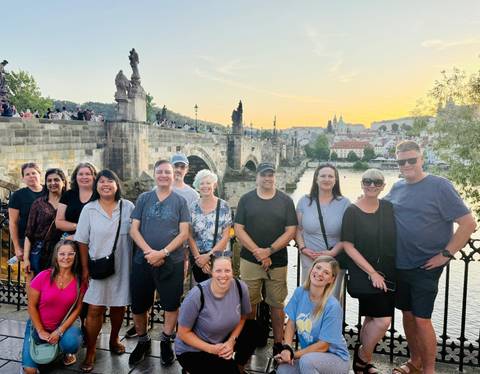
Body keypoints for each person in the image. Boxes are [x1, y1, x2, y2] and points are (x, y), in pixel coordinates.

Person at [385, 140, 476, 374]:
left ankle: (429, 370)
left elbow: (468, 223)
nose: (406, 165)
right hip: (400, 263)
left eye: (411, 160)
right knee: (407, 314)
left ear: (422, 159)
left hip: (426, 265)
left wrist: (446, 254)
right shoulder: (397, 188)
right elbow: (375, 208)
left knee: (422, 318)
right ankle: (414, 362)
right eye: (401, 161)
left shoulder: (440, 186)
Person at [129, 160, 191, 366]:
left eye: (168, 172)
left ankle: (166, 341)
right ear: (155, 174)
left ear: (173, 175)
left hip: (171, 261)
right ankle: (142, 340)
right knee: (139, 305)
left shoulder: (180, 202)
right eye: (160, 172)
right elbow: (133, 229)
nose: (164, 175)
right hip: (143, 260)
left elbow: (184, 234)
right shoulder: (144, 198)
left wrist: (163, 252)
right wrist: (150, 252)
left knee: (171, 304)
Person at [74, 169, 135, 372]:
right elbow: (81, 241)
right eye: (101, 181)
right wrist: (84, 268)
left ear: (117, 184)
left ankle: (114, 339)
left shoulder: (128, 207)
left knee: (118, 307)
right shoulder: (89, 209)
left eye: (110, 181)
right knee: (94, 309)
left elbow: (137, 235)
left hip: (122, 267)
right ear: (96, 186)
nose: (106, 184)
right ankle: (91, 350)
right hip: (98, 268)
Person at [234, 162, 297, 355]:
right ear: (257, 177)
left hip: (277, 261)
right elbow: (238, 229)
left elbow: (291, 231)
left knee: (277, 304)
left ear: (275, 177)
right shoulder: (246, 199)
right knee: (250, 303)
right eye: (264, 175)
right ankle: (250, 340)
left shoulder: (285, 201)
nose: (267, 178)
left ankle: (278, 343)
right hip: (250, 260)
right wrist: (258, 252)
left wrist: (268, 251)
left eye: (270, 175)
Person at [341, 169, 396, 373]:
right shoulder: (352, 211)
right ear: (362, 184)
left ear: (383, 186)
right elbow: (348, 245)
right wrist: (371, 272)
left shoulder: (388, 207)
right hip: (364, 272)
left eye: (377, 182)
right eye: (367, 181)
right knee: (383, 320)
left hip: (387, 272)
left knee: (372, 318)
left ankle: (363, 363)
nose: (372, 185)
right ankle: (363, 357)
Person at [175, 256, 256, 373]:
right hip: (193, 349)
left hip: (222, 339)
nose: (223, 275)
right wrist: (212, 349)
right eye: (218, 270)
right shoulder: (197, 295)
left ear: (233, 272)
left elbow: (243, 318)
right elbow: (183, 333)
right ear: (211, 272)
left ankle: (240, 367)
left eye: (227, 270)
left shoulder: (240, 287)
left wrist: (231, 341)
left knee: (254, 329)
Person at [275, 256, 349, 374]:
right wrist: (287, 349)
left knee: (307, 361)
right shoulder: (300, 293)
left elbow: (323, 346)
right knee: (283, 370)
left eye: (326, 272)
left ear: (331, 279)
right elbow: (291, 323)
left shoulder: (332, 306)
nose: (319, 273)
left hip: (336, 359)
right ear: (312, 269)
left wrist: (294, 355)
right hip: (310, 356)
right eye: (318, 267)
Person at [21, 240, 87, 373]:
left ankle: (63, 352)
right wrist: (40, 330)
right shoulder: (43, 276)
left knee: (71, 343)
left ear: (75, 256)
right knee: (30, 371)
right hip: (38, 326)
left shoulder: (80, 281)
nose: (66, 257)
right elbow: (31, 306)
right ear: (56, 256)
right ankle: (37, 348)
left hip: (62, 326)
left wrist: (59, 331)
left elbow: (78, 309)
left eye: (70, 254)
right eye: (62, 254)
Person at [295, 163, 350, 297]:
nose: (327, 179)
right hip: (309, 259)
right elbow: (297, 229)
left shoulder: (345, 203)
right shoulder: (304, 201)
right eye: (323, 176)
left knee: (331, 301)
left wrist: (332, 252)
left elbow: (348, 235)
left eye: (330, 176)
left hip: (332, 260)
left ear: (335, 180)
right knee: (309, 299)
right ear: (316, 179)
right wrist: (303, 248)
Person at [189, 169, 232, 282]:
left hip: (220, 257)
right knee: (202, 293)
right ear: (197, 186)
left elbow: (226, 236)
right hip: (198, 258)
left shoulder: (224, 206)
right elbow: (189, 236)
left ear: (215, 185)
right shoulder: (192, 207)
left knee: (220, 291)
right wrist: (199, 259)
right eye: (201, 183)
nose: (205, 186)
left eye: (208, 183)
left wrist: (208, 257)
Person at [24, 168, 67, 279]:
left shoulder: (70, 202)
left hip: (64, 250)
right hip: (40, 250)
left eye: (56, 180)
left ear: (63, 182)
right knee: (40, 287)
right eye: (49, 180)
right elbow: (29, 233)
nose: (53, 183)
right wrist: (26, 258)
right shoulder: (38, 203)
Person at [8, 162, 44, 262]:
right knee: (30, 271)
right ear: (23, 178)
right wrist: (17, 247)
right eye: (27, 174)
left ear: (39, 175)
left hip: (48, 239)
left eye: (34, 173)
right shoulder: (18, 195)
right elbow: (13, 223)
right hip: (26, 240)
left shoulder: (48, 191)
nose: (31, 176)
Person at [56, 162, 97, 241]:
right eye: (80, 174)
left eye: (88, 174)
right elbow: (59, 222)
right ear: (76, 177)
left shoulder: (99, 196)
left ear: (94, 177)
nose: (84, 177)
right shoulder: (68, 195)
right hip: (69, 240)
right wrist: (79, 226)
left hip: (94, 239)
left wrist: (80, 235)